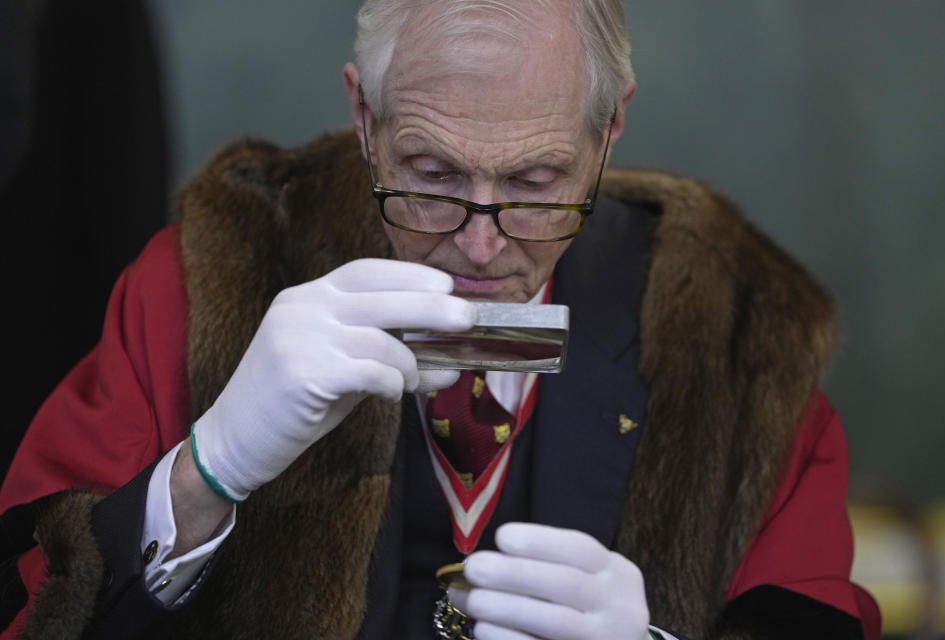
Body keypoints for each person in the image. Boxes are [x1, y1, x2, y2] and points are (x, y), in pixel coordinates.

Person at [0, 1, 880, 638]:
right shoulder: (200, 280)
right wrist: (204, 474)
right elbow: (29, 606)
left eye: (536, 185)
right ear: (364, 117)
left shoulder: (740, 335)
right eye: (432, 174)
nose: (481, 245)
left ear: (610, 130)